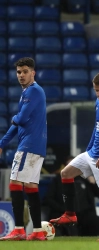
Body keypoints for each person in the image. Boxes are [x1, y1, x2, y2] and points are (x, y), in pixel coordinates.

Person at [49, 72, 99, 240]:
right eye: (96, 90)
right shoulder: (98, 102)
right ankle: (70, 214)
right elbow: (97, 128)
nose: (98, 94)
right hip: (91, 154)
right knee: (66, 173)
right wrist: (89, 148)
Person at [0, 57, 47, 241]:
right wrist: (3, 143)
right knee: (31, 186)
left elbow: (20, 119)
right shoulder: (30, 92)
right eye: (19, 72)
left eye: (25, 71)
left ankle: (19, 229)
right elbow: (19, 122)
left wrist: (16, 117)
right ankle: (37, 231)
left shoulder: (33, 91)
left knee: (14, 182)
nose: (21, 75)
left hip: (28, 145)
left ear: (33, 73)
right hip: (36, 145)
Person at [43, 156, 99, 236]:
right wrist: (62, 209)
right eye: (70, 166)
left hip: (84, 213)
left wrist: (93, 183)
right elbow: (48, 199)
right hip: (64, 213)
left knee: (97, 222)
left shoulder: (84, 179)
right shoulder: (57, 180)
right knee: (70, 229)